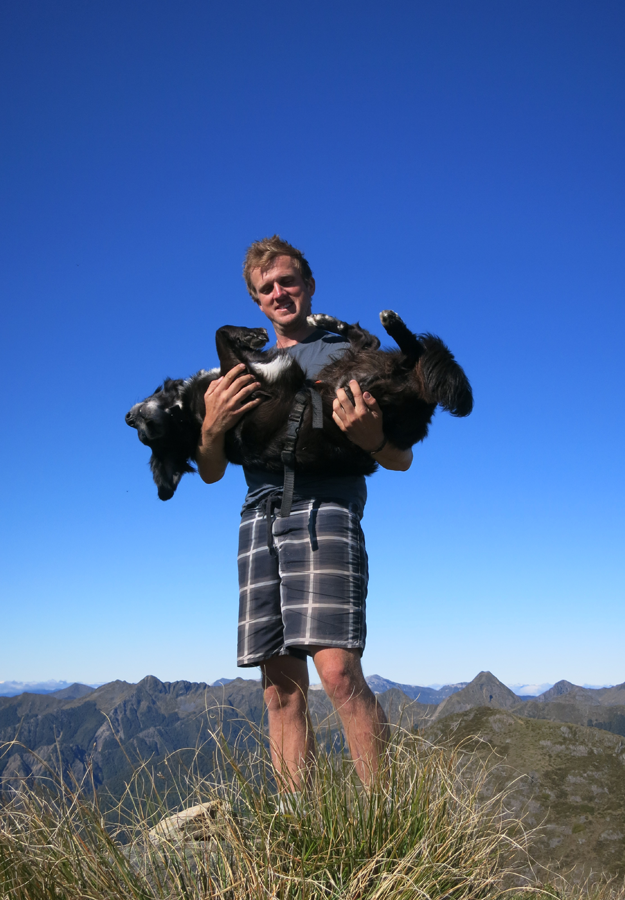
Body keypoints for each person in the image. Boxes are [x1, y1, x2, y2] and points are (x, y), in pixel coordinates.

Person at [196, 236, 412, 792]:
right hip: (258, 518)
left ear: (309, 285)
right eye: (265, 288)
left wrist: (374, 437)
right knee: (279, 688)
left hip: (328, 510)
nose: (278, 293)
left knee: (338, 674)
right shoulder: (244, 369)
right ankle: (301, 828)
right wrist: (211, 429)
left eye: (287, 281)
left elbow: (401, 458)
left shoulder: (349, 358)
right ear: (256, 301)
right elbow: (213, 471)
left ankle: (385, 821)